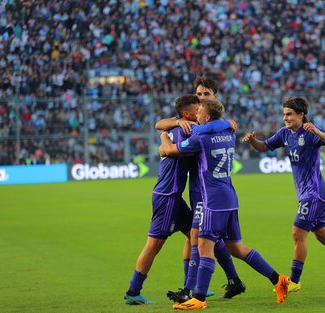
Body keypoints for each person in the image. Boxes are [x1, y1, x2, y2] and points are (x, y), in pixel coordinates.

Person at [160, 99, 291, 310]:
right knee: (237, 248)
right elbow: (222, 124)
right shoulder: (229, 132)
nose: (197, 115)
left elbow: (170, 150)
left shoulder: (201, 138)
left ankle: (199, 298)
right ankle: (278, 279)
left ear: (207, 117)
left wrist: (164, 136)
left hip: (213, 201)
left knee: (204, 245)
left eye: (200, 111)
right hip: (230, 198)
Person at [243, 96, 325, 295]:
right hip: (305, 194)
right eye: (284, 114)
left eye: (289, 114)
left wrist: (317, 131)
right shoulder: (284, 134)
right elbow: (264, 146)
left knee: (297, 233)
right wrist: (252, 141)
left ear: (301, 115)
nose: (286, 118)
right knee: (323, 236)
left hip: (314, 194)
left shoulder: (309, 132)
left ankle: (295, 281)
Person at [156, 76, 246, 301]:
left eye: (206, 94)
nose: (201, 97)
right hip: (197, 186)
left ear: (215, 97)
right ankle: (231, 281)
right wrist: (176, 124)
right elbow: (160, 124)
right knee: (199, 238)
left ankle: (192, 291)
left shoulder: (216, 122)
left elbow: (168, 145)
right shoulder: (192, 117)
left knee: (200, 237)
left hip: (210, 190)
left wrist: (165, 145)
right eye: (199, 94)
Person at [123, 95, 202, 305]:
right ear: (186, 114)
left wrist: (164, 138)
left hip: (174, 197)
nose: (201, 110)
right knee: (154, 245)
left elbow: (161, 127)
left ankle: (191, 286)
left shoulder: (175, 129)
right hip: (168, 197)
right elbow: (170, 144)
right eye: (198, 108)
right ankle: (133, 291)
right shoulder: (187, 130)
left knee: (195, 235)